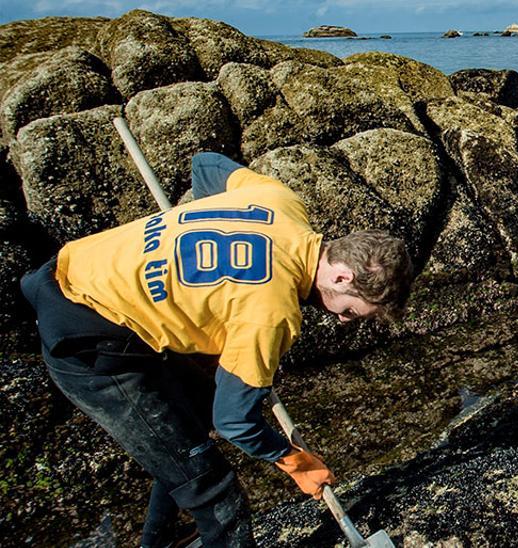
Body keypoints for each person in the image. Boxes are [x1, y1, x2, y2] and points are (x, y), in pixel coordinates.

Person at [20, 152, 414, 547]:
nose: (344, 320)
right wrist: (296, 461)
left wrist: (190, 261)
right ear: (342, 275)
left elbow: (205, 166)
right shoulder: (271, 313)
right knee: (214, 491)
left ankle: (162, 536)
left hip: (82, 269)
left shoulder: (279, 201)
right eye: (351, 311)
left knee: (189, 421)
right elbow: (234, 422)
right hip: (87, 341)